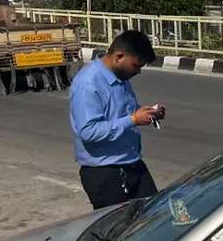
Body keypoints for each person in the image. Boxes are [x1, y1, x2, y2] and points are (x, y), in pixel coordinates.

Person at [70, 30, 165, 209]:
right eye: (136, 66)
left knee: (151, 218)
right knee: (117, 229)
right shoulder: (88, 83)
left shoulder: (120, 77)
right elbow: (89, 132)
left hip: (132, 163)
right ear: (118, 57)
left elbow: (125, 112)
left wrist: (147, 113)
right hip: (106, 173)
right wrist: (133, 120)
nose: (138, 72)